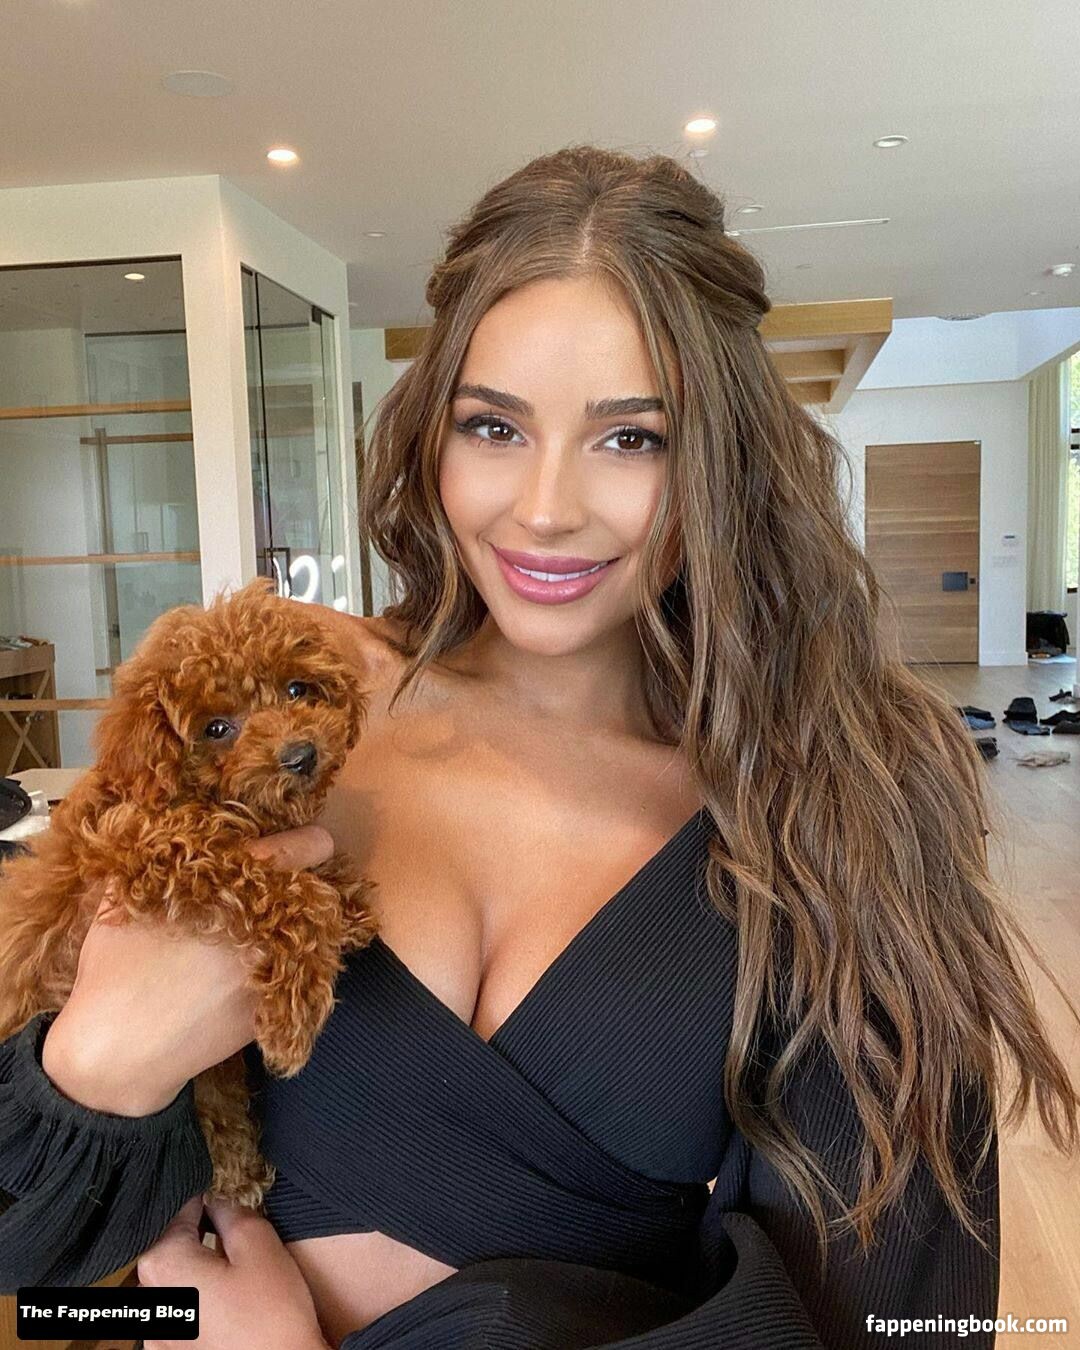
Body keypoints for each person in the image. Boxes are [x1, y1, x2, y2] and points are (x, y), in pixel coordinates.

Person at [2, 145, 1077, 1350]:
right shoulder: (285, 707)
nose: (547, 508)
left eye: (632, 439)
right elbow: (39, 1293)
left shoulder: (832, 797)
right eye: (494, 426)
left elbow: (894, 1321)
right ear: (433, 434)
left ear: (722, 456)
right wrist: (101, 1065)